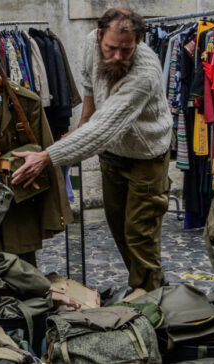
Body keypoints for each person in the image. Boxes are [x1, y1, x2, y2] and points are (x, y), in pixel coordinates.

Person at [11, 7, 173, 291]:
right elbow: (89, 85)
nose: (118, 56)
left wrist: (47, 156)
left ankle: (151, 300)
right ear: (100, 36)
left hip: (146, 159)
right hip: (113, 156)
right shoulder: (90, 43)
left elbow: (104, 129)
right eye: (111, 48)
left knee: (140, 234)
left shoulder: (145, 72)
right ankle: (146, 287)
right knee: (120, 228)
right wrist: (83, 121)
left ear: (139, 42)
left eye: (127, 49)